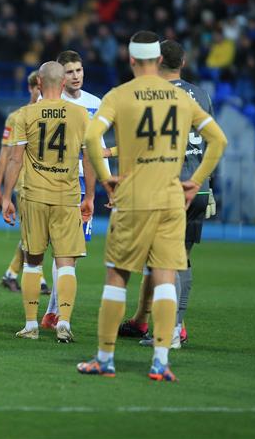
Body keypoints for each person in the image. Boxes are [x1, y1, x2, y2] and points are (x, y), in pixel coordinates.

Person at [77, 31, 227, 381]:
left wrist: (104, 177)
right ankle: (161, 361)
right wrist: (196, 179)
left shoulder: (119, 96)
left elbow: (90, 137)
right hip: (172, 198)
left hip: (132, 198)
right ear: (159, 61)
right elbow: (218, 140)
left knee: (117, 276)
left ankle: (105, 358)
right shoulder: (182, 99)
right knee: (164, 278)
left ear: (131, 60)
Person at [119, 39, 217, 348]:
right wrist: (207, 184)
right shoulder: (201, 95)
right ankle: (173, 329)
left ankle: (167, 330)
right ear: (183, 62)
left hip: (166, 187)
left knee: (160, 261)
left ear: (157, 61)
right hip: (198, 188)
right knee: (182, 258)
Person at [1, 61, 95, 343]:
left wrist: (6, 196)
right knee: (66, 263)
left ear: (39, 84)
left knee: (33, 262)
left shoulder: (25, 114)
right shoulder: (80, 115)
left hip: (33, 196)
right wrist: (89, 195)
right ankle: (63, 322)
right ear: (63, 83)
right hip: (67, 197)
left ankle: (31, 325)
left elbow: (15, 158)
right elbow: (89, 158)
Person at [40, 50, 115, 330]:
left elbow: (98, 149)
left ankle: (52, 311)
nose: (76, 76)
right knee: (55, 250)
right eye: (70, 71)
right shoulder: (46, 102)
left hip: (84, 184)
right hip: (54, 181)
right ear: (60, 75)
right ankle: (54, 312)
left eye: (79, 70)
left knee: (69, 252)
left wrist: (107, 184)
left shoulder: (95, 104)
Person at [0, 71, 46, 293]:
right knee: (33, 232)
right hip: (23, 181)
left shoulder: (50, 116)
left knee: (36, 232)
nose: (39, 92)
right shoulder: (17, 117)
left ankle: (12, 273)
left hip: (43, 179)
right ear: (30, 89)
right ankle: (35, 277)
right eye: (36, 88)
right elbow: (5, 155)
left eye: (43, 88)